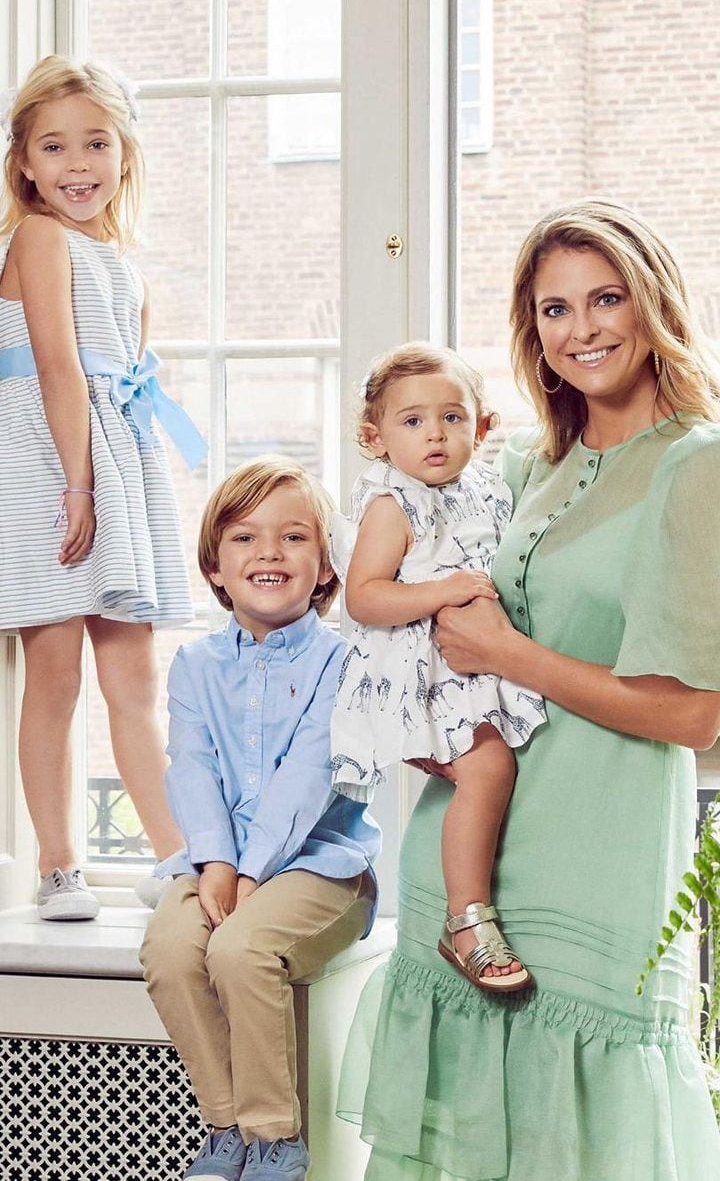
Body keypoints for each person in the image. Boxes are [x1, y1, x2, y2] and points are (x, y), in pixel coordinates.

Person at [337, 199, 720, 1180]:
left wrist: (509, 656)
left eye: (605, 299)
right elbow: (401, 605)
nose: (582, 329)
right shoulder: (518, 463)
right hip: (462, 866)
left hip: (603, 859)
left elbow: (697, 715)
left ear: (652, 303)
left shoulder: (697, 465)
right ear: (533, 331)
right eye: (554, 309)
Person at [0, 56, 207, 919]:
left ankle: (176, 858)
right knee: (54, 678)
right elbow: (56, 367)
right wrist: (78, 490)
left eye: (96, 143)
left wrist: (117, 484)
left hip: (111, 466)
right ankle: (57, 865)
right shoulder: (39, 238)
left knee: (135, 682)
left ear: (125, 154)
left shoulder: (120, 261)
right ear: (25, 164)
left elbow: (123, 377)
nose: (78, 164)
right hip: (54, 470)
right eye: (56, 147)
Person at [140, 456, 380, 1181]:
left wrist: (249, 871)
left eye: (294, 537)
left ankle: (278, 1139)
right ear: (216, 566)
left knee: (241, 949)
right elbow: (192, 767)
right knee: (172, 948)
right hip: (217, 860)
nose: (269, 552)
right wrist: (216, 861)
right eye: (245, 538)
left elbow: (309, 775)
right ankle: (228, 1128)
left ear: (327, 563)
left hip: (321, 864)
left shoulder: (345, 662)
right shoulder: (194, 665)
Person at [330, 343, 544, 991]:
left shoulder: (484, 485)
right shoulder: (393, 503)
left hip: (474, 661)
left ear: (481, 428)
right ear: (376, 437)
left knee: (508, 765)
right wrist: (443, 591)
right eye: (414, 421)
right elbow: (364, 596)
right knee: (489, 766)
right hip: (417, 668)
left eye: (452, 418)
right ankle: (466, 918)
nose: (435, 435)